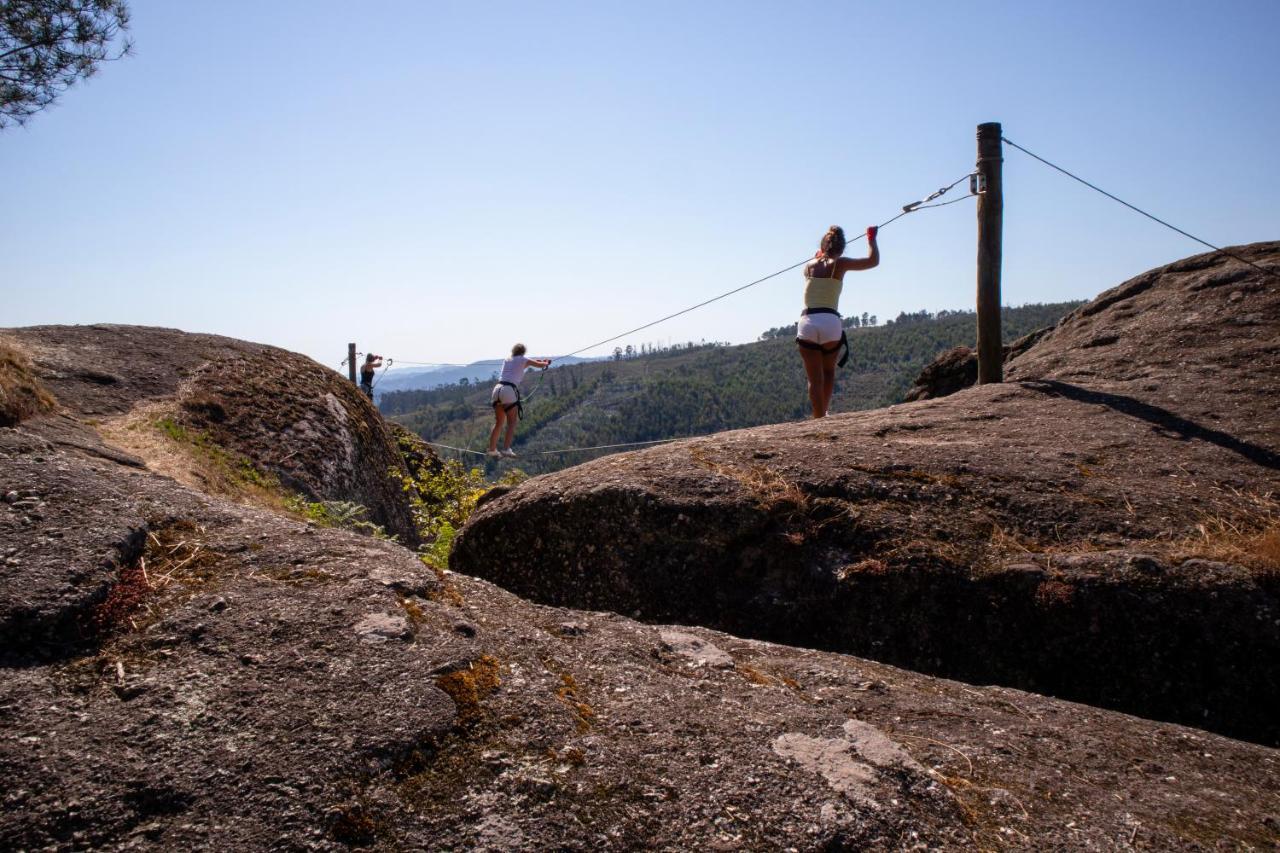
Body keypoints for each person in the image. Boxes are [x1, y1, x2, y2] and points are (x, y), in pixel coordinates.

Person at [796, 225, 879, 418]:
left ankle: (817, 417)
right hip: (830, 322)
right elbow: (873, 261)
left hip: (808, 320)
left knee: (814, 379)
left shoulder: (808, 266)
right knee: (829, 372)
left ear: (823, 246)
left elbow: (817, 263)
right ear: (841, 249)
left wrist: (818, 255)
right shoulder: (840, 264)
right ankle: (824, 413)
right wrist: (871, 239)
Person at [488, 343, 552, 458]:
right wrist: (546, 363)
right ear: (523, 351)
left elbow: (516, 368)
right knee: (512, 422)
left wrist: (531, 363)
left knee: (499, 422)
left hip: (497, 389)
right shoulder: (523, 359)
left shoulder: (507, 359)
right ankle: (506, 449)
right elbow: (540, 365)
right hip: (509, 390)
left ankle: (492, 449)